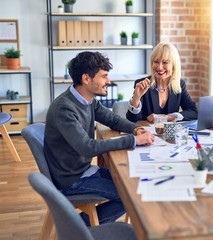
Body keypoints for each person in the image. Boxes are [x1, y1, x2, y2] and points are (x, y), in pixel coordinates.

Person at [44, 51, 154, 225]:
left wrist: (136, 129)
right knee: (132, 194)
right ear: (86, 79)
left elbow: (112, 119)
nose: (108, 82)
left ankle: (80, 225)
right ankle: (77, 227)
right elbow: (87, 147)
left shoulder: (88, 100)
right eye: (104, 77)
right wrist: (133, 141)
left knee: (135, 183)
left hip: (84, 171)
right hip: (72, 180)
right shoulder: (64, 109)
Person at [126, 42, 198, 123]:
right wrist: (136, 97)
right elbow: (131, 119)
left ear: (174, 66)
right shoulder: (142, 84)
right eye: (156, 61)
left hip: (169, 134)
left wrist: (168, 117)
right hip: (146, 133)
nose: (160, 67)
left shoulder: (179, 85)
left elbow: (194, 112)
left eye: (165, 62)